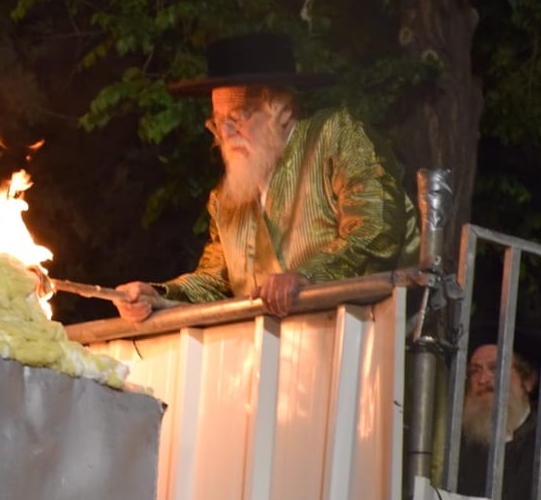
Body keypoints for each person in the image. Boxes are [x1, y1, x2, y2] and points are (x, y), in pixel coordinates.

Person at [114, 33, 420, 320]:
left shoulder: (336, 137)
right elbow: (216, 282)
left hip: (364, 342)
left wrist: (305, 276)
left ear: (283, 112)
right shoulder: (227, 198)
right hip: (267, 359)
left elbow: (376, 231)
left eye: (238, 117)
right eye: (219, 122)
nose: (227, 134)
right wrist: (157, 295)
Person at [455, 324, 541, 500]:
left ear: (528, 380)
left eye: (496, 368)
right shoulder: (458, 447)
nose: (483, 379)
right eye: (475, 370)